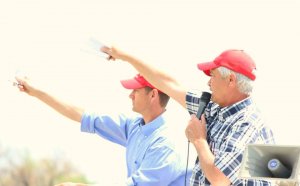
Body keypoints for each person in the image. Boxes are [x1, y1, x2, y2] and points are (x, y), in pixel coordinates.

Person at [102, 47, 275, 185]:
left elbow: (219, 178)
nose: (208, 82)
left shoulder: (248, 123)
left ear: (231, 80)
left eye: (212, 76)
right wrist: (125, 56)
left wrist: (199, 140)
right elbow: (168, 84)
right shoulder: (213, 107)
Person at [15, 74, 191, 186]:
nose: (130, 95)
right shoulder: (134, 127)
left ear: (153, 94)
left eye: (135, 91)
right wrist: (37, 92)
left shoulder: (165, 144)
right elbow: (82, 115)